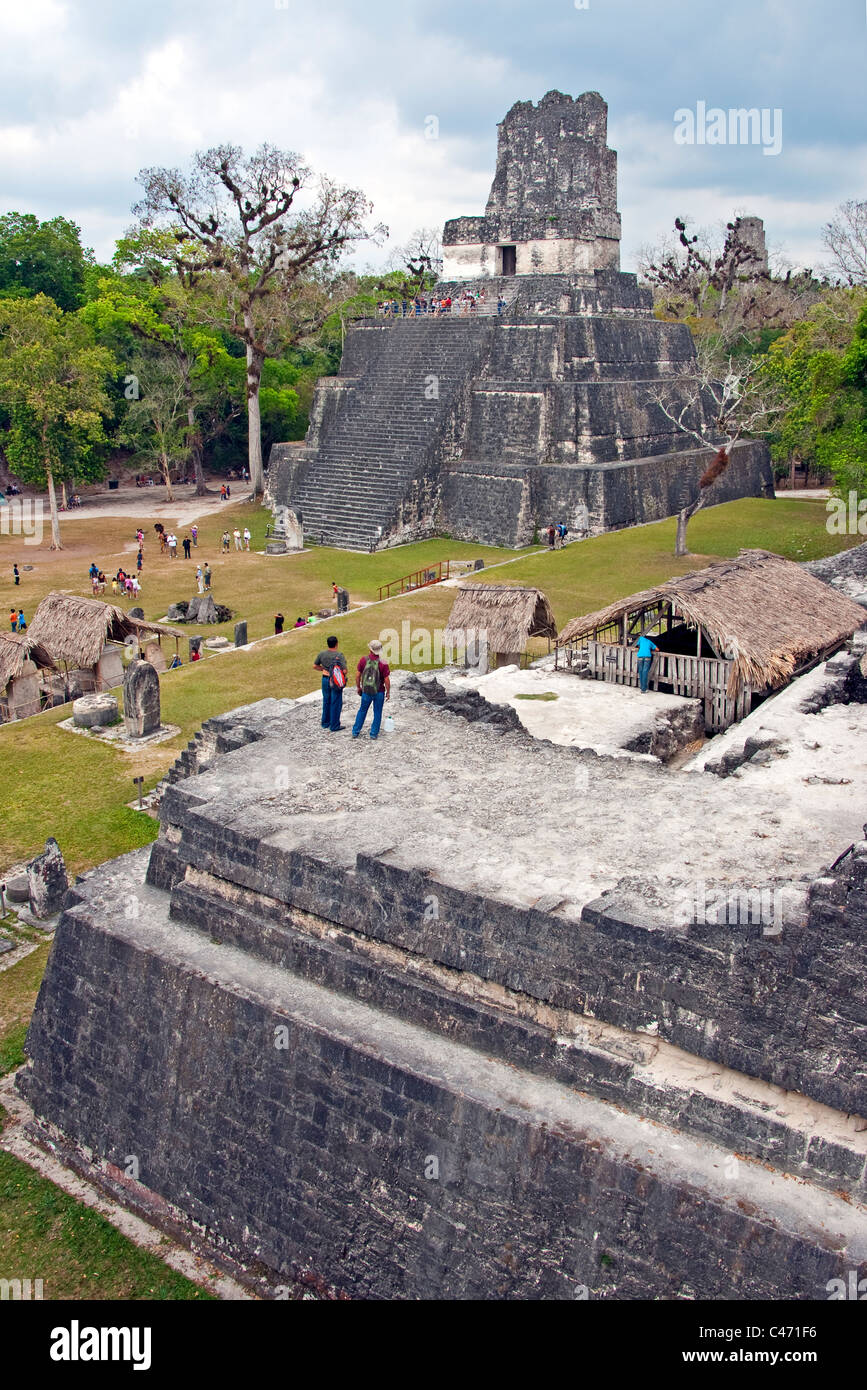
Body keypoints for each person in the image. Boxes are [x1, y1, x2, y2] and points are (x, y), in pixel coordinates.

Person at [352, 639, 390, 740]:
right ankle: (373, 733)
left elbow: (357, 675)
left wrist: (358, 687)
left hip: (366, 691)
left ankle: (355, 731)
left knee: (362, 710)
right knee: (377, 712)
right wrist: (388, 692)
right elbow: (386, 680)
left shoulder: (363, 660)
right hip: (379, 691)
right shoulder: (383, 663)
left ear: (370, 650)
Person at [314, 634, 348, 732]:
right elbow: (345, 670)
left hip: (325, 678)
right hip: (335, 681)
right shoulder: (339, 655)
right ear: (336, 644)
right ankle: (334, 725)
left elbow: (315, 666)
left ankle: (325, 722)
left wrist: (324, 669)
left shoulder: (322, 654)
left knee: (326, 700)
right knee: (336, 702)